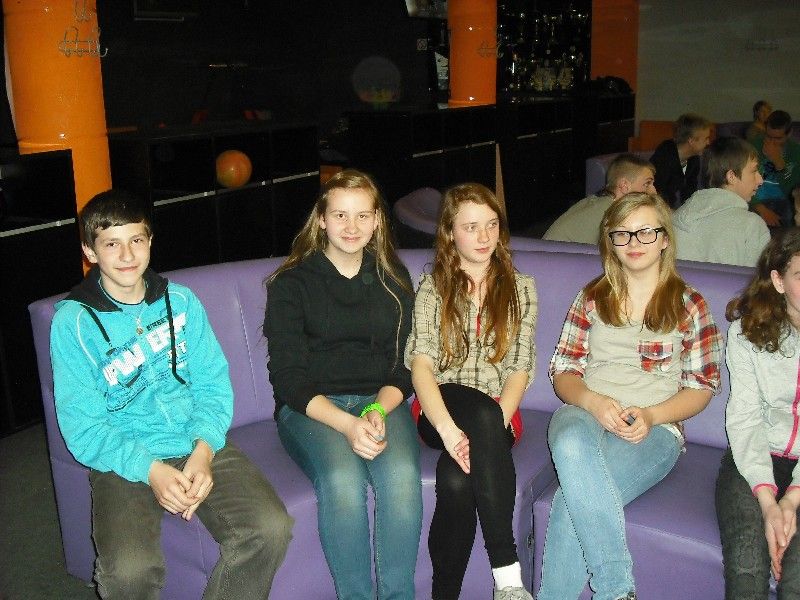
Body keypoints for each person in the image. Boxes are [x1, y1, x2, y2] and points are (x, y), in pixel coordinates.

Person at [50, 189, 293, 599]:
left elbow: (213, 384)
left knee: (270, 529)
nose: (127, 255)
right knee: (128, 574)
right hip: (121, 456)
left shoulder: (180, 301)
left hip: (192, 438)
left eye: (136, 240)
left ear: (150, 241)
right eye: (111, 244)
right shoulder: (73, 323)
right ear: (90, 252)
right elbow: (83, 425)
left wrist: (204, 449)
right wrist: (150, 470)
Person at [538, 192, 722, 600]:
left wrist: (652, 416)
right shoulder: (592, 297)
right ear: (611, 241)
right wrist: (593, 401)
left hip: (655, 428)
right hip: (584, 409)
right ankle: (617, 589)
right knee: (568, 441)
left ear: (664, 239)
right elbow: (563, 372)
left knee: (571, 502)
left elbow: (701, 388)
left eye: (645, 232)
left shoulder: (689, 304)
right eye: (622, 233)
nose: (634, 242)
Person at [264, 169, 422, 599]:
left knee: (402, 476)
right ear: (321, 219)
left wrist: (376, 410)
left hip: (379, 401)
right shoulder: (291, 284)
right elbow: (289, 379)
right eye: (339, 215)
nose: (351, 227)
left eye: (362, 216)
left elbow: (404, 366)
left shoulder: (394, 279)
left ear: (376, 221)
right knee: (342, 481)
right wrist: (348, 424)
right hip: (312, 407)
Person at [405, 182, 538, 600]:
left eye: (492, 225)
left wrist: (491, 428)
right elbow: (422, 366)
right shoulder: (433, 286)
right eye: (470, 227)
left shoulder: (521, 287)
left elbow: (519, 368)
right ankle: (508, 578)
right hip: (438, 407)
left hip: (501, 411)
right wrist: (448, 431)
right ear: (450, 233)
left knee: (457, 480)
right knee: (477, 414)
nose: (484, 237)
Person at [716, 228, 800, 599]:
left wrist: (792, 499)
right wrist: (769, 503)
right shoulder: (746, 334)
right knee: (746, 567)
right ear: (779, 282)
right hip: (753, 457)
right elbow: (745, 419)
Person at [673, 136, 770, 267]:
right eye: (754, 171)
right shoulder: (753, 226)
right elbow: (761, 278)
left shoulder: (678, 216)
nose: (760, 180)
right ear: (731, 176)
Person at [543, 153, 656, 244]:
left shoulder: (600, 201)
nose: (654, 191)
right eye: (647, 184)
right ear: (624, 186)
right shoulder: (613, 213)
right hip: (558, 263)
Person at [649, 113, 712, 209]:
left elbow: (690, 190)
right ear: (691, 141)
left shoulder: (694, 158)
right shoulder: (665, 155)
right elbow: (658, 192)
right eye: (706, 138)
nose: (708, 142)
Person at [751, 110, 800, 228]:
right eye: (768, 136)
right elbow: (742, 182)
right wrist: (760, 208)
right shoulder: (753, 146)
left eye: (778, 138)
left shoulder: (796, 151)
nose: (772, 142)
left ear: (789, 134)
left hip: (784, 202)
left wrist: (779, 163)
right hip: (756, 201)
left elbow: (793, 190)